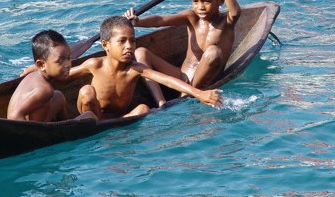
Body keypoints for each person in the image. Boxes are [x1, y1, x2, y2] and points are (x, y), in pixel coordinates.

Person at [124, 0, 241, 107]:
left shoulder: (227, 22)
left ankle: (186, 94)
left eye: (206, 1)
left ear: (220, 1)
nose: (200, 7)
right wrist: (138, 22)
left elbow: (236, 11)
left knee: (213, 52)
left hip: (205, 80)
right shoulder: (191, 17)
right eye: (195, 1)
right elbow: (161, 20)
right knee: (141, 52)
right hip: (182, 76)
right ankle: (161, 102)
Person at [68, 16, 222, 120]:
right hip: (96, 118)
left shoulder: (135, 68)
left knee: (143, 109)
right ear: (105, 45)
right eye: (122, 41)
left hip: (122, 119)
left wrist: (199, 93)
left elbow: (167, 80)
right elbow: (63, 75)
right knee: (86, 91)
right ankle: (98, 129)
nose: (129, 46)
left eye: (132, 41)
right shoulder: (95, 64)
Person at [7, 30, 96, 122]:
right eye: (60, 61)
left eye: (68, 58)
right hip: (31, 130)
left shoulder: (33, 76)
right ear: (41, 65)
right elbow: (14, 115)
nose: (68, 64)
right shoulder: (44, 90)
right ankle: (63, 129)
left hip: (34, 121)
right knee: (90, 115)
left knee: (58, 96)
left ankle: (63, 124)